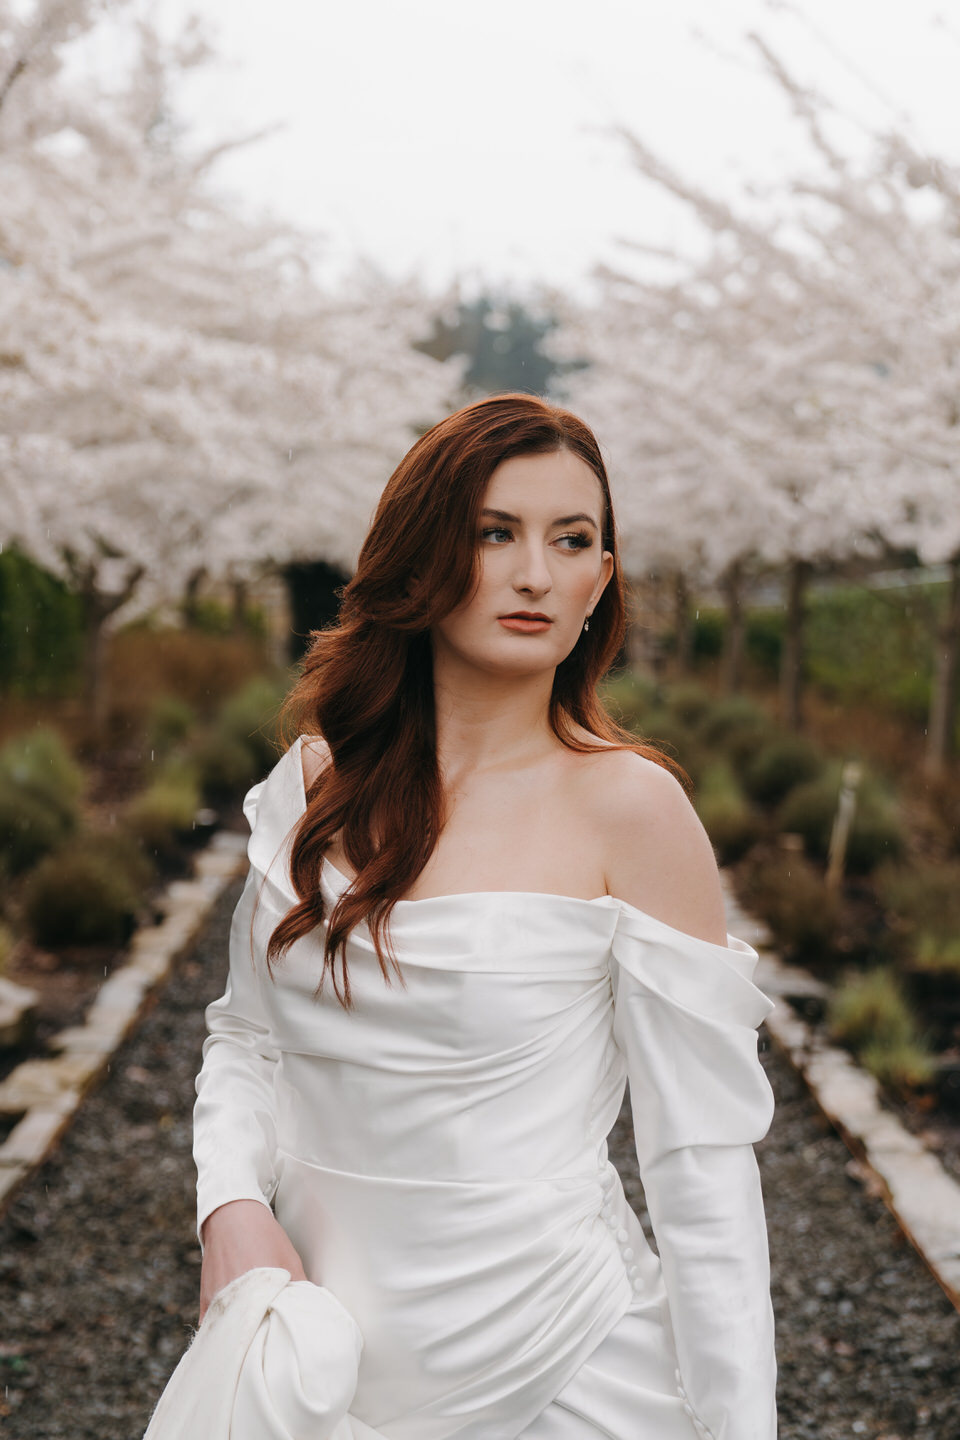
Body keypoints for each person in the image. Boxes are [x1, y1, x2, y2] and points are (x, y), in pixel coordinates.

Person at [192, 392, 778, 1440]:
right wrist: (229, 1208)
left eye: (573, 540)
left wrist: (741, 1424)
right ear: (422, 557)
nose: (535, 574)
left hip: (566, 1363)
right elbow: (247, 1035)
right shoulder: (312, 788)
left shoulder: (634, 810)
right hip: (314, 1358)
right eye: (494, 532)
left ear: (603, 580)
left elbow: (702, 1164)